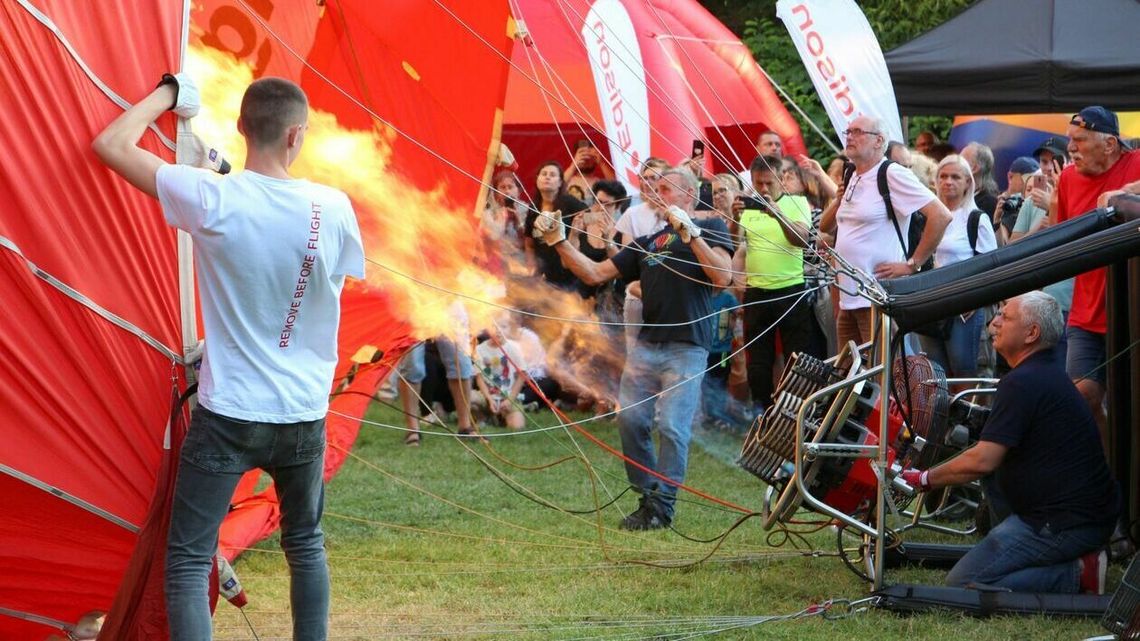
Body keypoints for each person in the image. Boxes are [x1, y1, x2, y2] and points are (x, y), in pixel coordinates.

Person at [93, 76, 365, 639]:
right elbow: (317, 282)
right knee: (306, 544)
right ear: (297, 136)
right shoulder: (334, 207)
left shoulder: (213, 197)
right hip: (302, 412)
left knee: (191, 560)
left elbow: (112, 145)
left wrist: (170, 94)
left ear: (241, 128)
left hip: (231, 413)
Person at [533, 166, 733, 529]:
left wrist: (692, 234)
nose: (657, 194)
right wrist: (559, 241)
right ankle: (649, 497)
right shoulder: (647, 242)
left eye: (666, 189)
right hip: (647, 345)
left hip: (687, 346)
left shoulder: (713, 228)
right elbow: (595, 274)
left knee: (672, 425)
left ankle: (663, 506)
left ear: (688, 194)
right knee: (630, 419)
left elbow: (723, 276)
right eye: (654, 188)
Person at [900, 292, 1119, 594]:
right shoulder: (1042, 372)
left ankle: (1079, 574)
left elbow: (983, 460)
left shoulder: (1023, 382)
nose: (994, 322)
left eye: (1006, 316)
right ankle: (1030, 550)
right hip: (1080, 515)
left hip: (1066, 524)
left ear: (1032, 334)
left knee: (962, 582)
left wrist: (924, 478)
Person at [819, 115, 951, 349]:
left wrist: (913, 264)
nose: (849, 136)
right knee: (851, 378)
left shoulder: (892, 173)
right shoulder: (851, 174)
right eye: (848, 132)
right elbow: (825, 227)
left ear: (879, 141)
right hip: (849, 300)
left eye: (858, 132)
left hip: (876, 298)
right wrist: (838, 201)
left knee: (884, 377)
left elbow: (941, 216)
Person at [1054, 106, 1140, 425]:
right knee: (1082, 399)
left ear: (1109, 144)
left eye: (1079, 140)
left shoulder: (1136, 163)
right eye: (1069, 140)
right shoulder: (1066, 179)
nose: (1070, 148)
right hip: (1086, 315)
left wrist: (1124, 195)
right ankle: (1103, 470)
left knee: (1128, 405)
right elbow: (1062, 235)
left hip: (1131, 314)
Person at [732, 155, 813, 409]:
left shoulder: (797, 202)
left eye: (769, 183)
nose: (764, 189)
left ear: (781, 178)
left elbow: (801, 240)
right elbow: (735, 245)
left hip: (790, 290)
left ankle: (797, 412)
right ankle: (761, 413)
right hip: (756, 291)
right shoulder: (749, 206)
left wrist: (777, 214)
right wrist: (734, 220)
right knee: (758, 359)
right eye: (759, 184)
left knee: (797, 356)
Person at [916, 155, 997, 380]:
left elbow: (989, 265)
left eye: (955, 177)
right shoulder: (927, 218)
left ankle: (963, 416)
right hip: (931, 305)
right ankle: (943, 416)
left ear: (968, 183)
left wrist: (974, 298)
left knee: (963, 374)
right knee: (934, 377)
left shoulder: (976, 219)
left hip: (964, 307)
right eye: (943, 176)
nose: (948, 181)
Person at [523, 161, 588, 291]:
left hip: (568, 278)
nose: (547, 177)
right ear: (537, 180)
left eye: (552, 175)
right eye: (544, 174)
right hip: (542, 278)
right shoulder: (533, 208)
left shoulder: (569, 202)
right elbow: (529, 243)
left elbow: (592, 216)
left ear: (560, 182)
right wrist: (531, 264)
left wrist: (577, 229)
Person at [992, 156, 1039, 244]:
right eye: (1026, 178)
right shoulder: (996, 204)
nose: (1030, 182)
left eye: (1038, 182)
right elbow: (1002, 245)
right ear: (1010, 177)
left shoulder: (1038, 208)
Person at [563, 138, 615, 204]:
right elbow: (557, 186)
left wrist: (601, 163)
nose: (586, 159)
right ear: (575, 157)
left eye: (590, 156)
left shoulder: (600, 183)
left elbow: (617, 188)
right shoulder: (568, 179)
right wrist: (574, 165)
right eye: (582, 155)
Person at [961, 141, 1000, 217]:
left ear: (974, 168)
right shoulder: (956, 196)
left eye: (961, 161)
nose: (955, 164)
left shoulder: (988, 204)